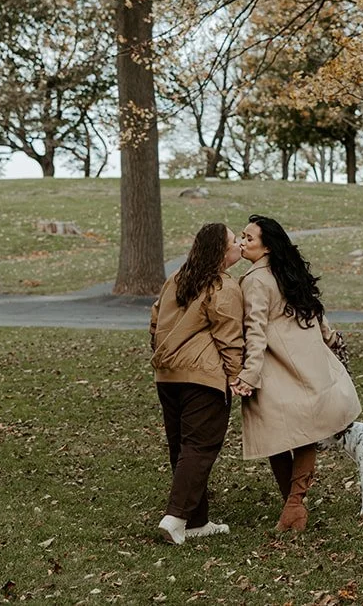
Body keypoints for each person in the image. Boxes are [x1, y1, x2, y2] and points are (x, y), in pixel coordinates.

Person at [231, 214, 360, 532]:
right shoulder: (289, 272)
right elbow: (316, 312)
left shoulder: (255, 280)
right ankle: (295, 504)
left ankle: (293, 505)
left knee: (275, 434)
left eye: (249, 238)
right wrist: (331, 338)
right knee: (305, 432)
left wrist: (249, 374)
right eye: (242, 236)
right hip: (309, 362)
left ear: (267, 248)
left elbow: (255, 331)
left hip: (279, 367)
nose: (242, 241)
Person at [149, 221, 245, 545]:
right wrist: (235, 376)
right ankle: (175, 518)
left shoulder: (176, 278)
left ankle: (197, 520)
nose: (239, 245)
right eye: (234, 241)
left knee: (182, 447)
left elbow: (154, 321)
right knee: (200, 446)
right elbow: (230, 338)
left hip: (167, 375)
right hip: (203, 378)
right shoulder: (224, 286)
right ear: (221, 252)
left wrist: (164, 354)